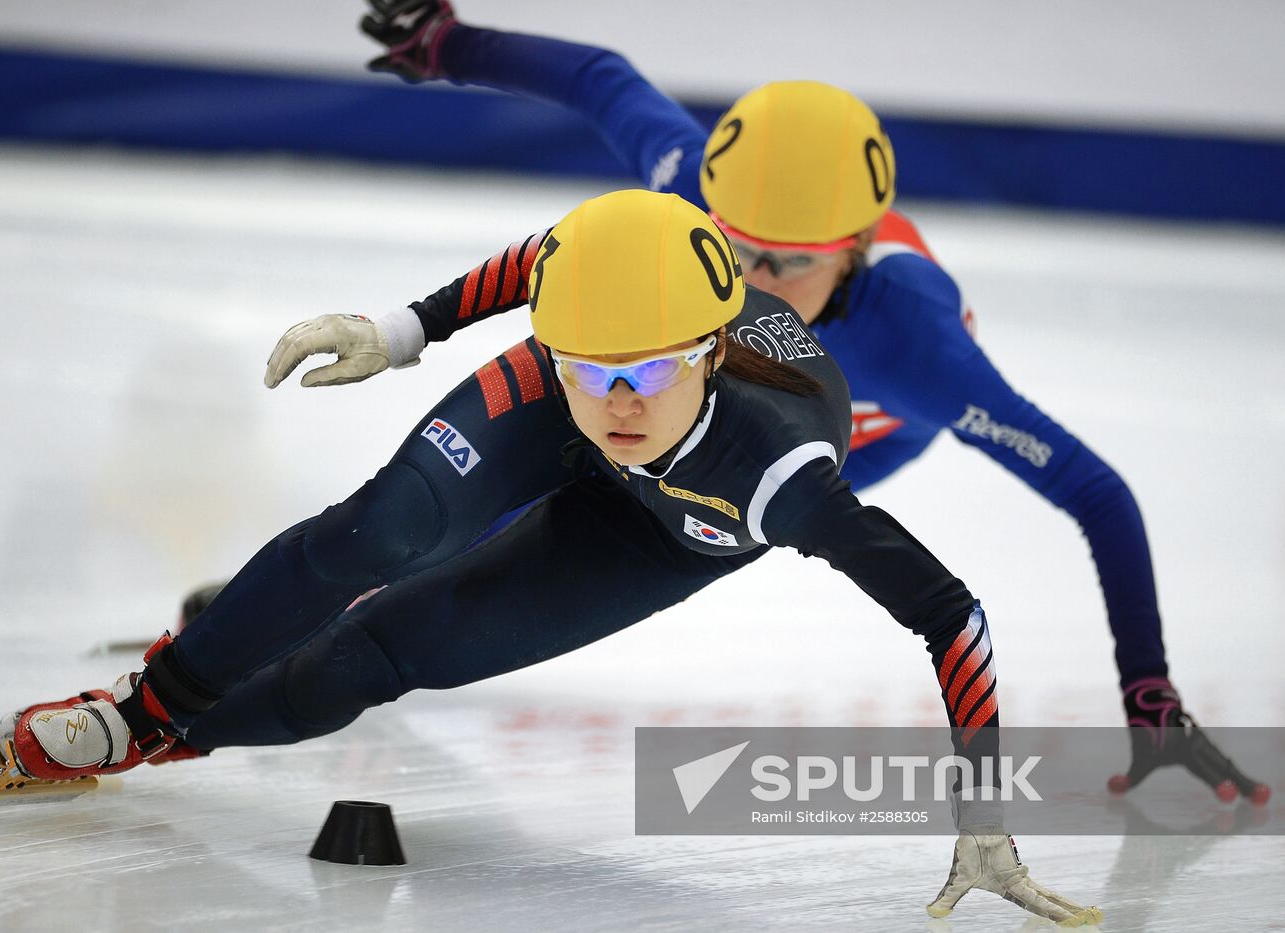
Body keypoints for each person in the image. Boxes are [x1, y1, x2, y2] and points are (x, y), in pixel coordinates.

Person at [0, 191, 1095, 925]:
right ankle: (140, 709)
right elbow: (541, 261)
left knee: (382, 653)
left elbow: (951, 615)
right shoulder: (596, 337)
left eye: (650, 373)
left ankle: (181, 736)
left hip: (660, 532)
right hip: (550, 413)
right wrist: (403, 329)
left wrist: (981, 814)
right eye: (587, 364)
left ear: (711, 351)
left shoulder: (781, 477)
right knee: (378, 535)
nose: (617, 403)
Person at [340, 0, 1268, 805]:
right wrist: (448, 44)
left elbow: (1097, 492)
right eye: (733, 245)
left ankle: (364, 628)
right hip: (727, 379)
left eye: (788, 264)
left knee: (599, 513)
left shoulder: (920, 349)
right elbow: (601, 80)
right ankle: (329, 617)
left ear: (855, 249)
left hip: (860, 427)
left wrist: (1151, 699)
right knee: (531, 453)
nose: (748, 279)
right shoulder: (690, 186)